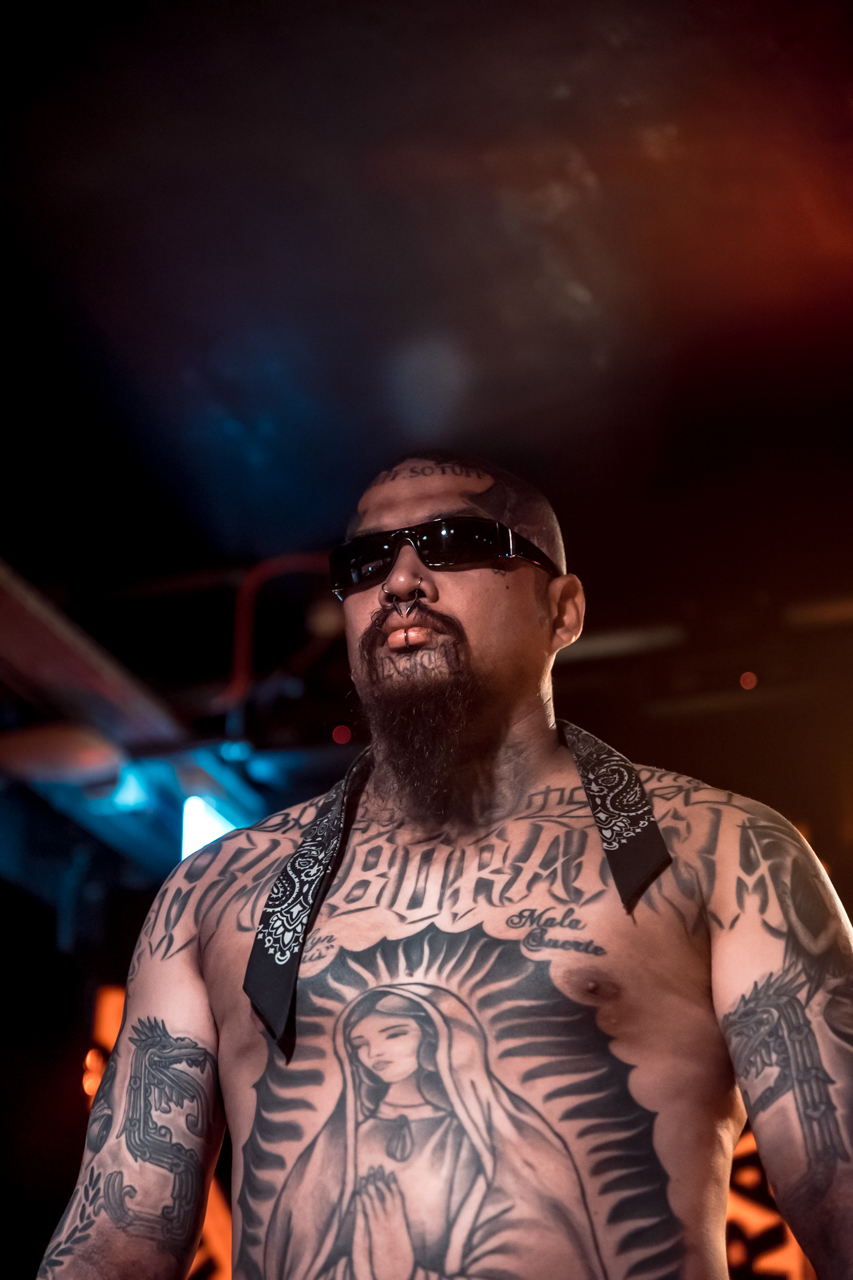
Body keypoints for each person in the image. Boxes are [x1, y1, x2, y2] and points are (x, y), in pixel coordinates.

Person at [41, 451, 853, 1280]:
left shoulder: (722, 854)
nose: (401, 581)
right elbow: (116, 1237)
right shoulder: (212, 895)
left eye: (456, 543)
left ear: (563, 611)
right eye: (366, 562)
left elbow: (839, 1196)